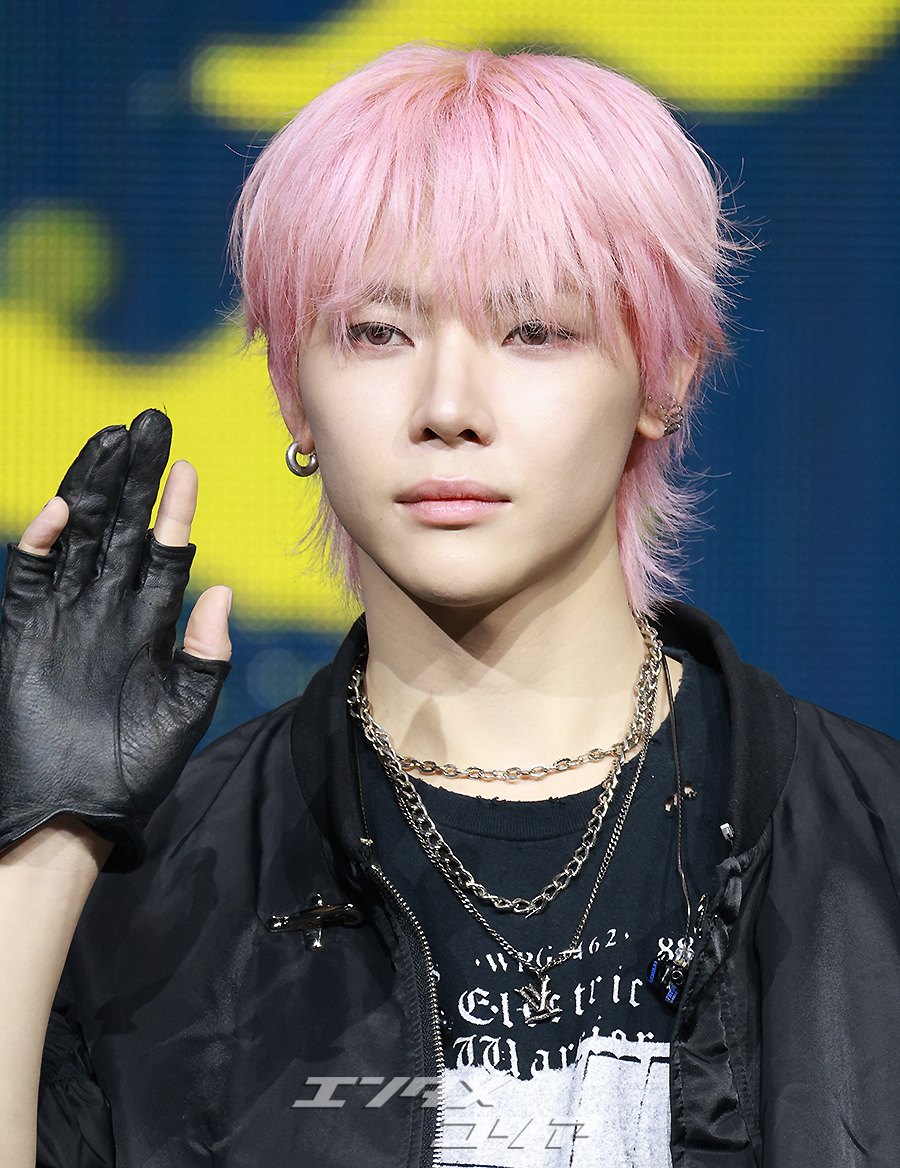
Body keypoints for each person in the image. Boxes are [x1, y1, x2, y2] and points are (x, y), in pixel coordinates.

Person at [0, 40, 897, 1168]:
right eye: (378, 332)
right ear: (291, 388)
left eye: (535, 330)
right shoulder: (151, 897)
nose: (447, 405)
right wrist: (41, 857)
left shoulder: (873, 841)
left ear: (665, 375)